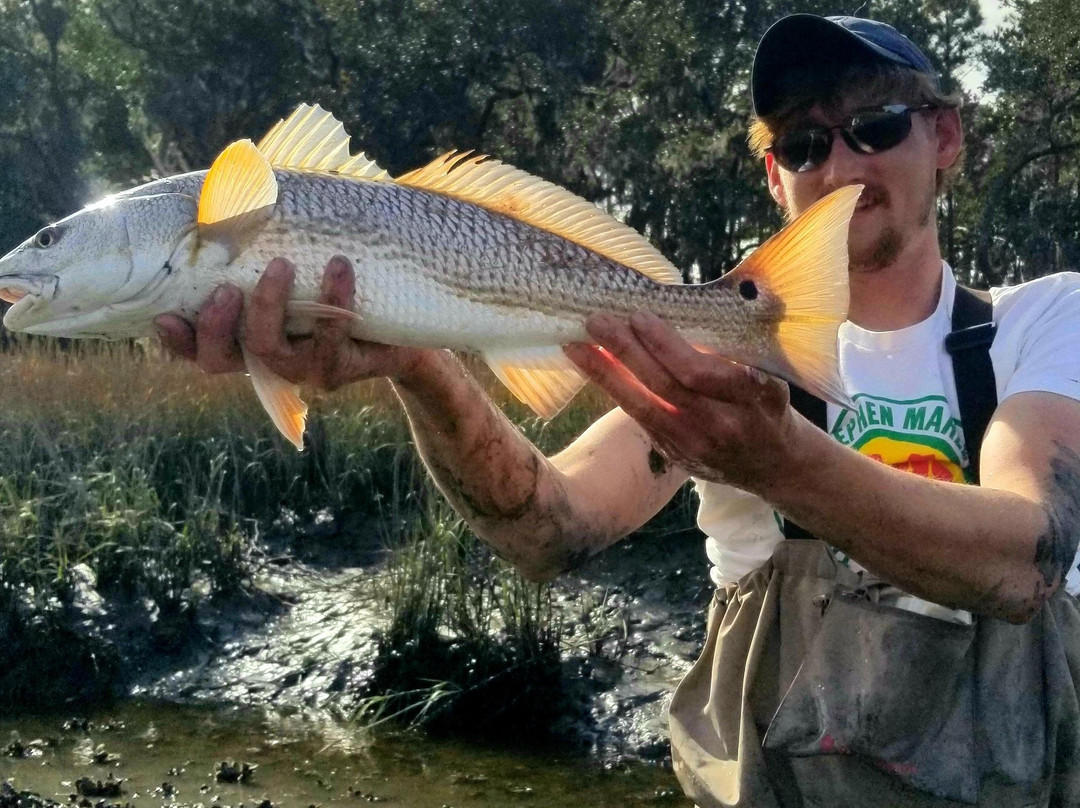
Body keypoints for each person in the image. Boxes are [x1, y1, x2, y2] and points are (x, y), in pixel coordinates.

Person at [155, 13, 1080, 806]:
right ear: (772, 178)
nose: (836, 164)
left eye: (873, 126)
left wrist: (778, 463)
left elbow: (1024, 560)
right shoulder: (715, 358)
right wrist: (419, 363)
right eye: (800, 143)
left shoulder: (1046, 321)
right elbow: (549, 529)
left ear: (947, 136)